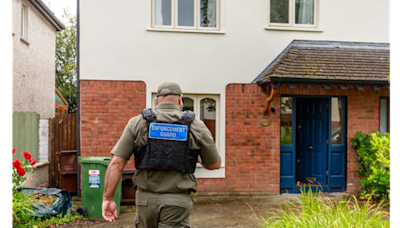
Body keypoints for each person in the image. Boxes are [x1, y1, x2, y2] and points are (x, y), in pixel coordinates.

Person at [102, 82, 221, 228]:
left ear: (157, 100)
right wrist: (198, 159)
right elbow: (214, 163)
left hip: (145, 201)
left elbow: (116, 163)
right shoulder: (196, 126)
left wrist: (108, 198)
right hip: (177, 202)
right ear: (180, 99)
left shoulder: (137, 123)